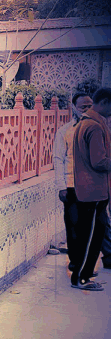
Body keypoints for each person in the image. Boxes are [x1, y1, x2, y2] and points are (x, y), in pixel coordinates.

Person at [54, 91, 111, 271]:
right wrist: (61, 186)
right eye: (82, 107)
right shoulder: (66, 131)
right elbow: (58, 159)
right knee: (74, 226)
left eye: (89, 105)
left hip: (91, 185)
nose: (86, 109)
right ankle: (76, 264)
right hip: (71, 185)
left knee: (98, 224)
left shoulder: (96, 126)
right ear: (74, 108)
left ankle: (101, 259)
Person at [71, 87, 111, 291]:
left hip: (89, 189)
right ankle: (81, 278)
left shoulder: (85, 123)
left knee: (90, 235)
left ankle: (83, 276)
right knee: (90, 238)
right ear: (104, 102)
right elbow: (99, 162)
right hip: (93, 190)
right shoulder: (94, 127)